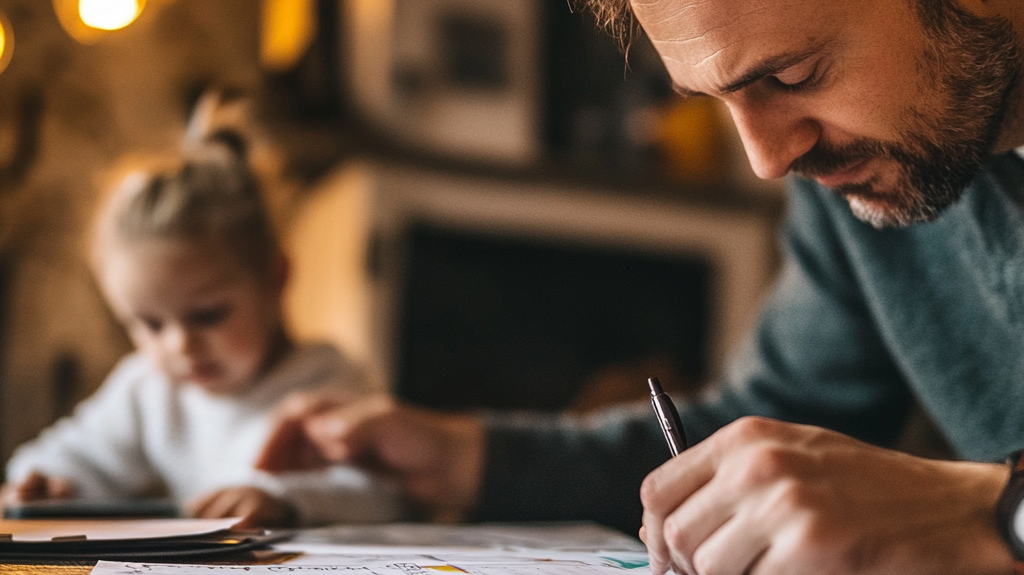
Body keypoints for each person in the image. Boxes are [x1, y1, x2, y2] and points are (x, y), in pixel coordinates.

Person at [257, 0, 1024, 573]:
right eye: (720, 101)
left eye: (793, 75)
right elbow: (749, 435)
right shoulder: (863, 172)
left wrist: (992, 512)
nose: (766, 158)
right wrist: (470, 457)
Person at [1, 121, 402, 528]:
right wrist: (47, 481)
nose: (180, 346)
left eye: (207, 315)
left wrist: (280, 499)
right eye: (150, 324)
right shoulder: (147, 390)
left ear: (275, 278)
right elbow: (83, 453)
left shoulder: (329, 383)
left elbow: (380, 495)